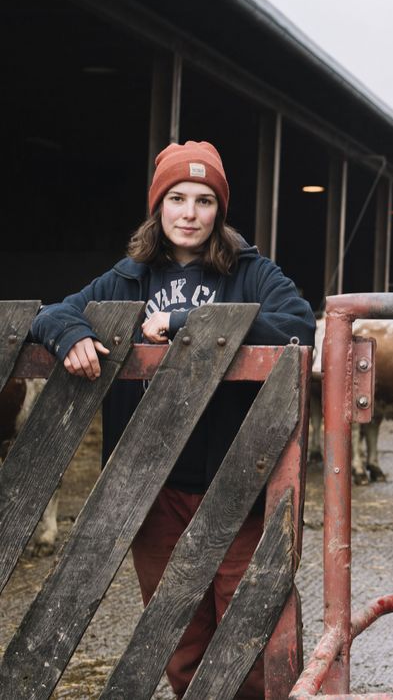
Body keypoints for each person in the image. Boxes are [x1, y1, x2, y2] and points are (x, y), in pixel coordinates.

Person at [31, 140, 316, 699]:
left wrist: (191, 322)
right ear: (158, 206)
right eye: (178, 198)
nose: (190, 213)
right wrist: (72, 333)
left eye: (205, 200)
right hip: (154, 486)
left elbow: (299, 324)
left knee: (250, 617)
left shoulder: (251, 275)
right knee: (177, 630)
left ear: (220, 211)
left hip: (239, 479)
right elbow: (53, 312)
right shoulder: (126, 279)